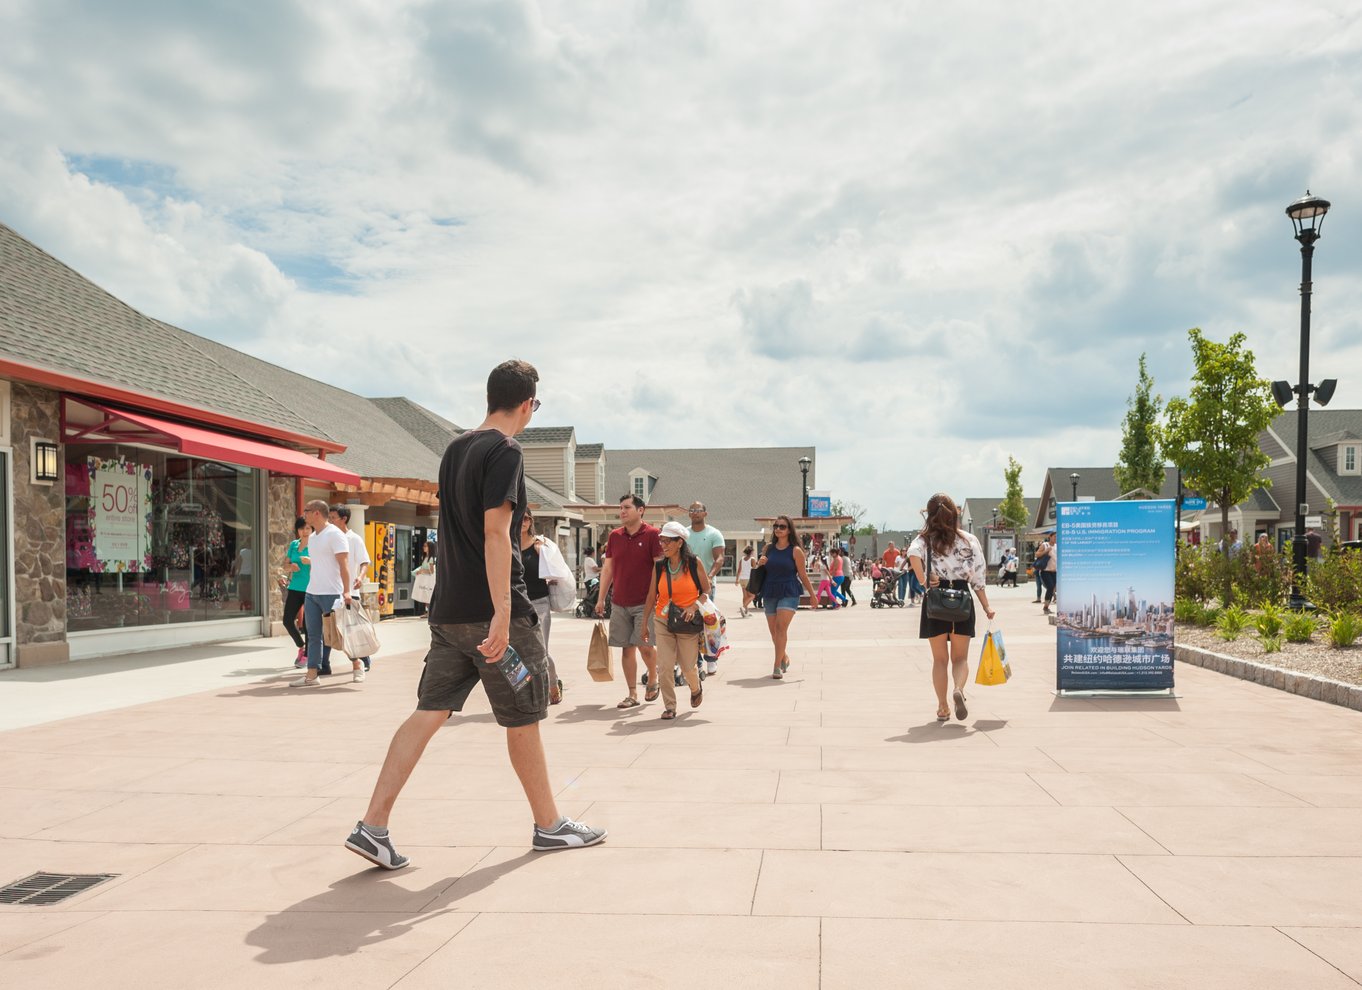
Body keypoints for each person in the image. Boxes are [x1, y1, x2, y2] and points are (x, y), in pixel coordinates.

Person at [346, 359, 606, 869]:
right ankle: (550, 826)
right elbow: (494, 534)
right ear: (529, 404)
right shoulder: (506, 451)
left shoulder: (456, 448)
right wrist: (504, 616)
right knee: (523, 716)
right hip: (490, 614)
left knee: (428, 712)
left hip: (448, 611)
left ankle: (372, 825)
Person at [906, 493, 995, 723]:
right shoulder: (969, 540)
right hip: (962, 599)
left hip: (935, 599)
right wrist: (986, 606)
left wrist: (925, 580)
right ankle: (958, 688)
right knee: (960, 658)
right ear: (954, 514)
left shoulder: (924, 540)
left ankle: (943, 706)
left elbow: (912, 554)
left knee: (939, 660)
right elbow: (978, 577)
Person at [596, 494, 662, 709]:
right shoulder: (615, 536)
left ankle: (653, 677)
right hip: (619, 602)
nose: (622, 511)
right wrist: (600, 598)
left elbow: (658, 569)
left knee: (645, 647)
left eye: (627, 507)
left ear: (641, 510)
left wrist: (657, 598)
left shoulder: (653, 534)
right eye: (620, 507)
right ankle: (632, 693)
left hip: (645, 603)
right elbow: (608, 569)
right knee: (626, 649)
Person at [641, 520, 710, 720]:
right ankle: (669, 706)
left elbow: (706, 591)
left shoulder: (693, 563)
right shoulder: (660, 566)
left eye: (668, 541)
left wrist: (693, 606)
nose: (663, 545)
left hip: (687, 621)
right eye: (661, 541)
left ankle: (695, 688)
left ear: (680, 542)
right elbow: (651, 595)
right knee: (664, 666)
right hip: (663, 619)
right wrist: (644, 622)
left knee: (688, 667)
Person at [292, 500, 351, 688]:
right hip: (312, 592)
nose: (304, 515)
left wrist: (347, 591)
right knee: (313, 636)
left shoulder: (335, 535)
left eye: (306, 511)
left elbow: (344, 565)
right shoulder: (314, 537)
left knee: (340, 633)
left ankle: (357, 664)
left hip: (331, 593)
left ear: (316, 513)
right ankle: (312, 675)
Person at [759, 515, 819, 680]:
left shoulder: (795, 551)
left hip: (789, 591)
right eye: (776, 526)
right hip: (770, 591)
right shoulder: (768, 549)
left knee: (780, 629)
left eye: (782, 526)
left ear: (789, 530)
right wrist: (760, 563)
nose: (778, 529)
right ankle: (784, 657)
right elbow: (759, 569)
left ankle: (776, 666)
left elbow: (803, 574)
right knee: (773, 632)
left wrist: (813, 595)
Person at [520, 509, 563, 705]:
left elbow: (555, 572)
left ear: (531, 521)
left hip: (539, 603)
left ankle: (552, 684)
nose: (523, 522)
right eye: (519, 518)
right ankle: (525, 692)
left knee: (541, 650)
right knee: (517, 651)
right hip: (515, 604)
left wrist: (542, 553)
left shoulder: (541, 544)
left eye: (527, 518)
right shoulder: (508, 544)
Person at [330, 506, 372, 679]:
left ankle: (362, 660)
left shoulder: (354, 539)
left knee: (350, 630)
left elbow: (364, 562)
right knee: (331, 628)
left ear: (344, 518)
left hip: (350, 592)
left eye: (333, 517)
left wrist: (360, 577)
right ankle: (323, 665)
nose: (330, 520)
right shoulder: (329, 537)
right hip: (331, 590)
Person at [283, 516, 311, 667]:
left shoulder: (316, 545)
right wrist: (290, 567)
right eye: (301, 528)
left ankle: (307, 656)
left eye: (307, 528)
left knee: (307, 625)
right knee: (287, 621)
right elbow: (285, 565)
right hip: (294, 587)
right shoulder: (294, 545)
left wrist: (311, 561)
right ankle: (301, 646)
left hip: (311, 589)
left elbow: (325, 564)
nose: (304, 531)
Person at [685, 502, 725, 603]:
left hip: (706, 584)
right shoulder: (683, 534)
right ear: (689, 514)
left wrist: (709, 577)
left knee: (706, 617)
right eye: (692, 511)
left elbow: (719, 558)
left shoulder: (714, 534)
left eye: (698, 511)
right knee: (685, 617)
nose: (695, 513)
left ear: (705, 514)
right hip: (685, 583)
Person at [411, 542, 436, 617]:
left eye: (425, 546)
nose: (423, 547)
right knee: (426, 595)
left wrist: (421, 571)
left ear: (429, 548)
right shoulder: (426, 557)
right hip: (425, 579)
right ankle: (429, 613)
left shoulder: (430, 558)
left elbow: (431, 571)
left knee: (428, 595)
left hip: (428, 580)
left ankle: (430, 613)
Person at [1040, 531, 1058, 614]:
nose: (1056, 538)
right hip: (1046, 571)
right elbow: (1037, 554)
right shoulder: (1045, 545)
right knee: (1050, 587)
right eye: (1054, 536)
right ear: (1050, 537)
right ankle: (1045, 607)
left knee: (1052, 589)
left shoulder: (1057, 546)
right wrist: (1046, 551)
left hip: (1055, 571)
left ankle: (1046, 606)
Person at [737, 545, 756, 617]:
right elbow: (754, 570)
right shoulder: (752, 559)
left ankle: (746, 612)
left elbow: (739, 570)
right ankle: (743, 607)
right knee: (752, 596)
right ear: (751, 552)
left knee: (745, 596)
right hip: (748, 579)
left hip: (742, 579)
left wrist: (736, 580)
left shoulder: (742, 559)